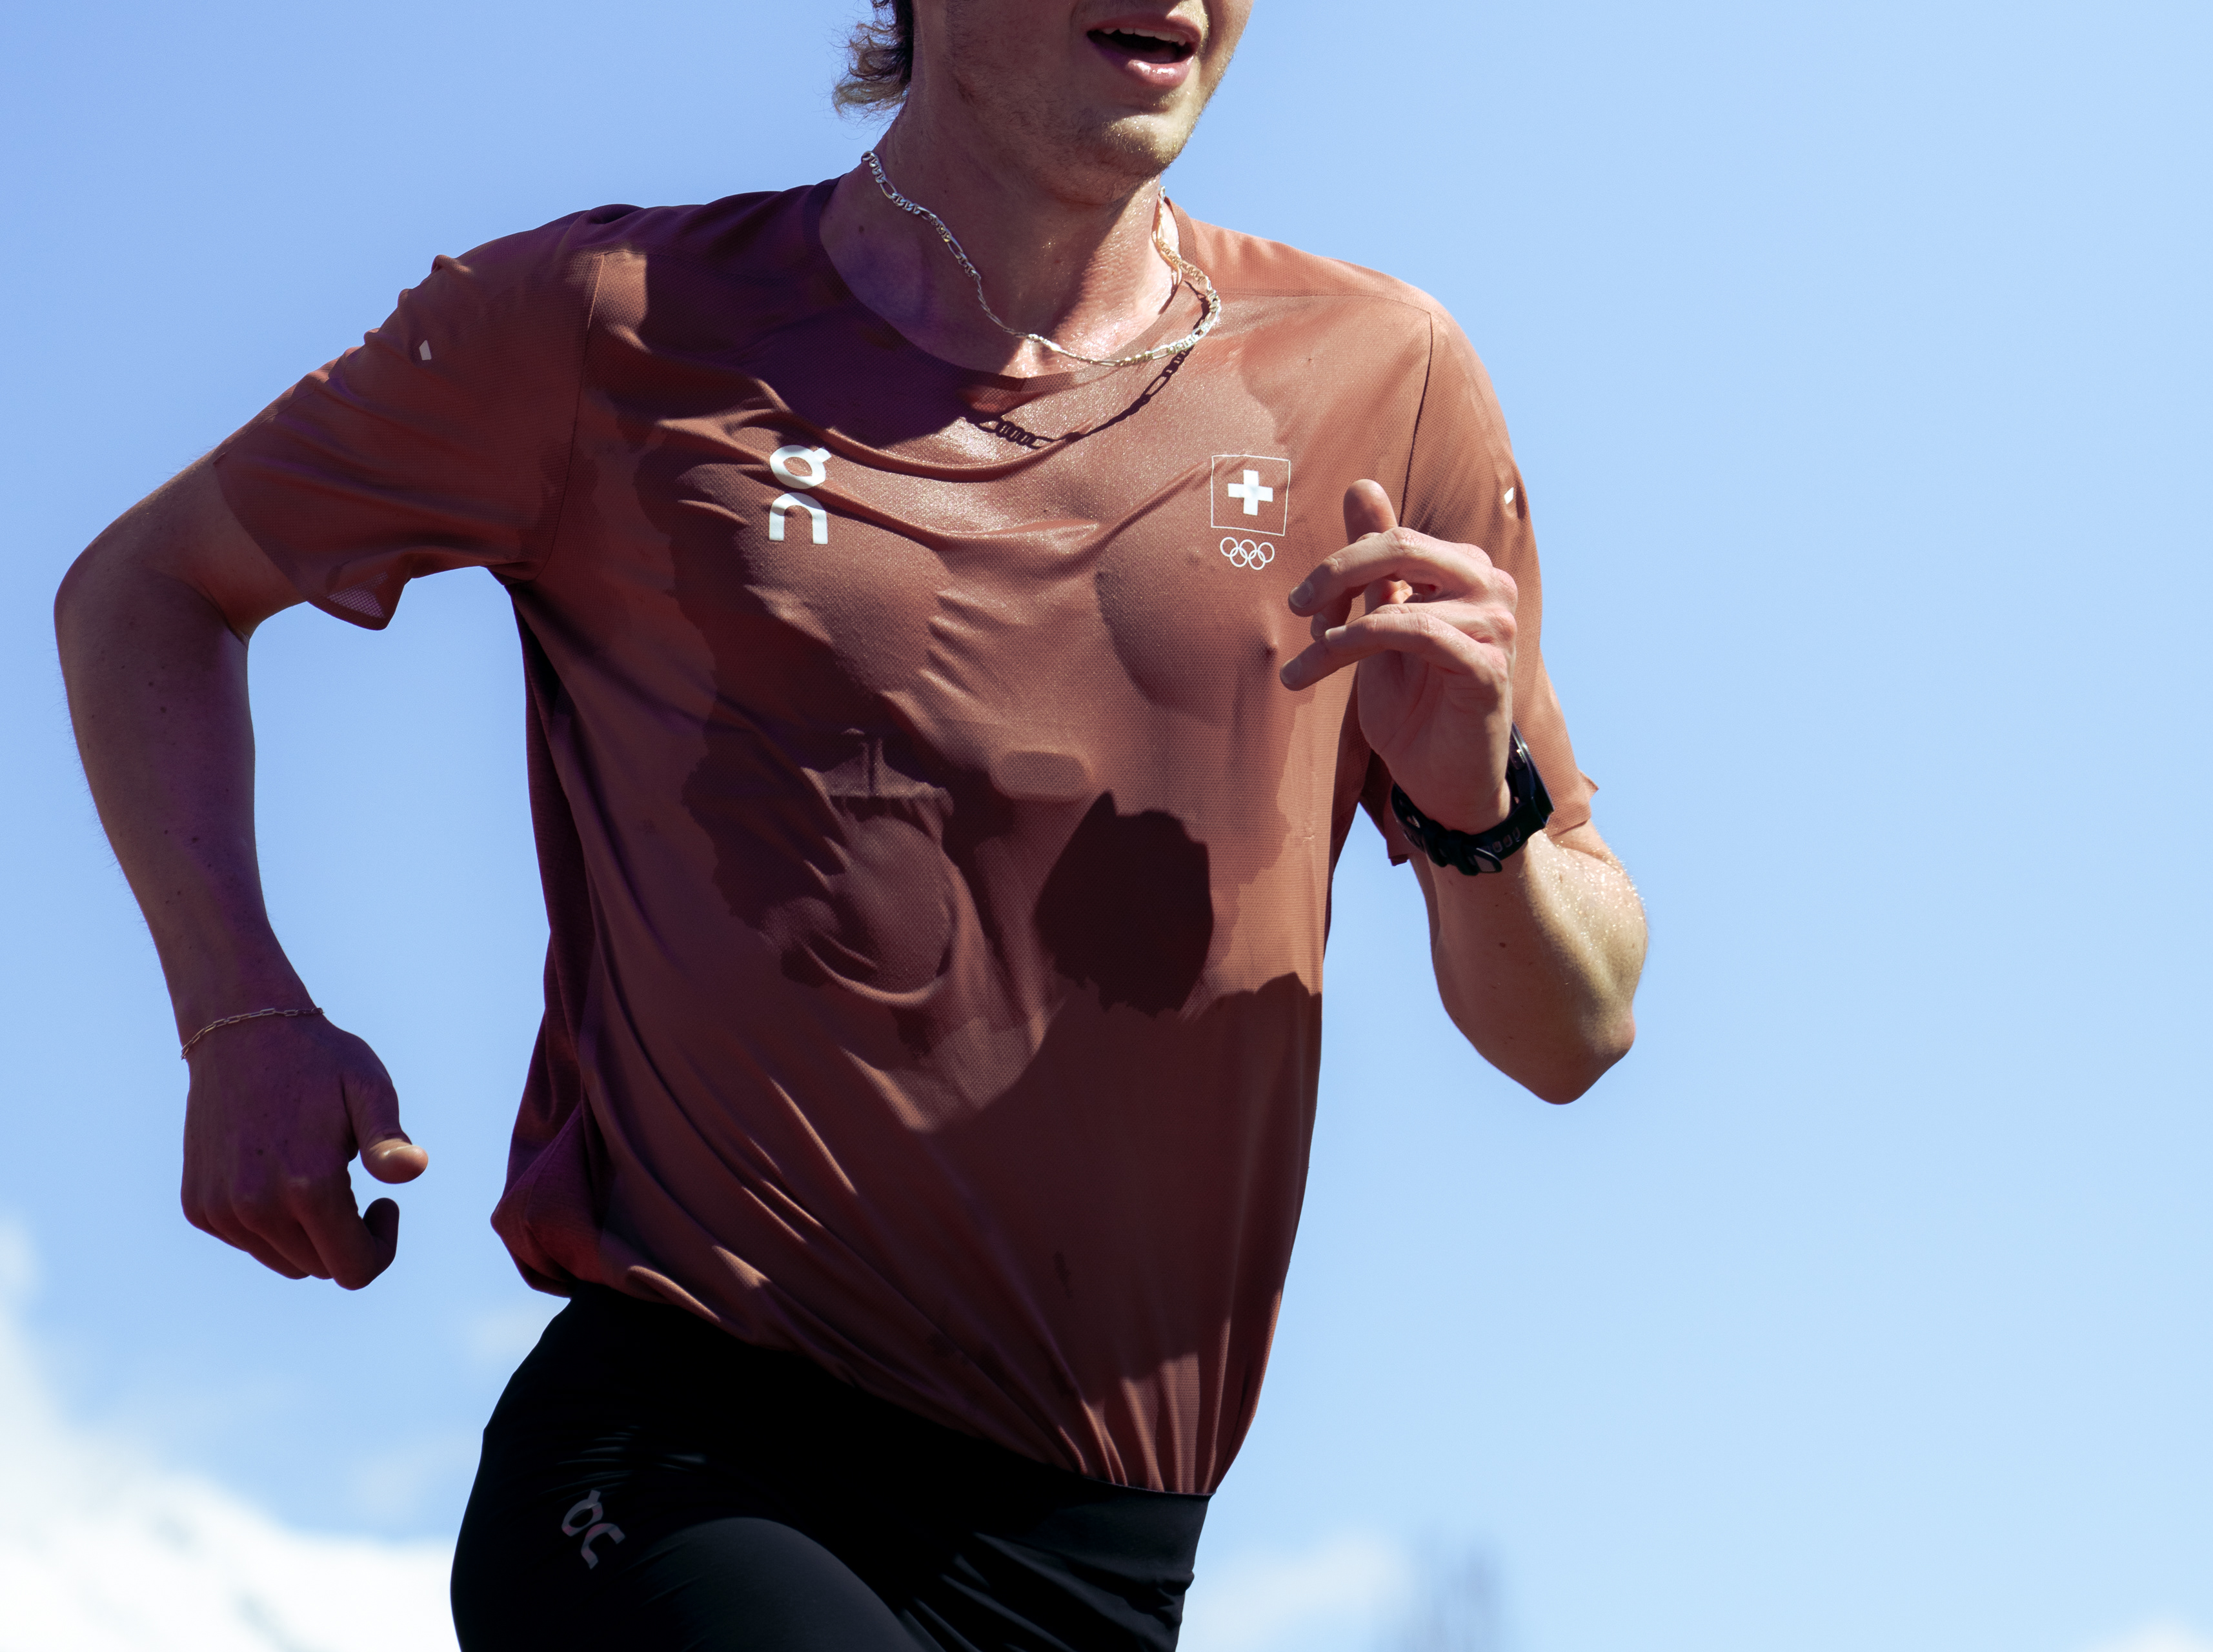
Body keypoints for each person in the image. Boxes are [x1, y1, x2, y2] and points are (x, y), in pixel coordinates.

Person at [53, 1, 1647, 1646]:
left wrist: (1480, 822)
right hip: (689, 1457)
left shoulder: (1385, 383)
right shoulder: (608, 323)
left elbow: (1575, 1026)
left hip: (1099, 1565)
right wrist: (238, 1010)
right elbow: (146, 589)